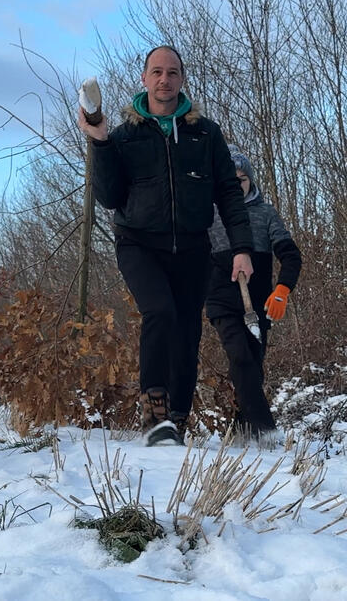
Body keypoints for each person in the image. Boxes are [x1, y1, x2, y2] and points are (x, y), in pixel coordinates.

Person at [77, 45, 254, 446]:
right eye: (156, 72)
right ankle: (154, 412)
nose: (164, 79)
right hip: (138, 243)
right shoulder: (125, 135)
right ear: (144, 79)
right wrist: (101, 142)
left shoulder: (205, 134)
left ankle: (178, 415)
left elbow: (228, 192)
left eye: (172, 72)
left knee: (188, 329)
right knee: (159, 312)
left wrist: (241, 247)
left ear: (181, 79)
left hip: (193, 247)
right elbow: (108, 197)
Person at [206, 146, 301, 444]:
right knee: (240, 358)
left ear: (251, 181)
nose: (236, 185)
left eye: (242, 179)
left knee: (253, 369)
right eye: (229, 180)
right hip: (221, 297)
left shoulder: (265, 212)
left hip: (258, 303)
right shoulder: (208, 214)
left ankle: (241, 431)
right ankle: (266, 431)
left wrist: (282, 290)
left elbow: (290, 255)